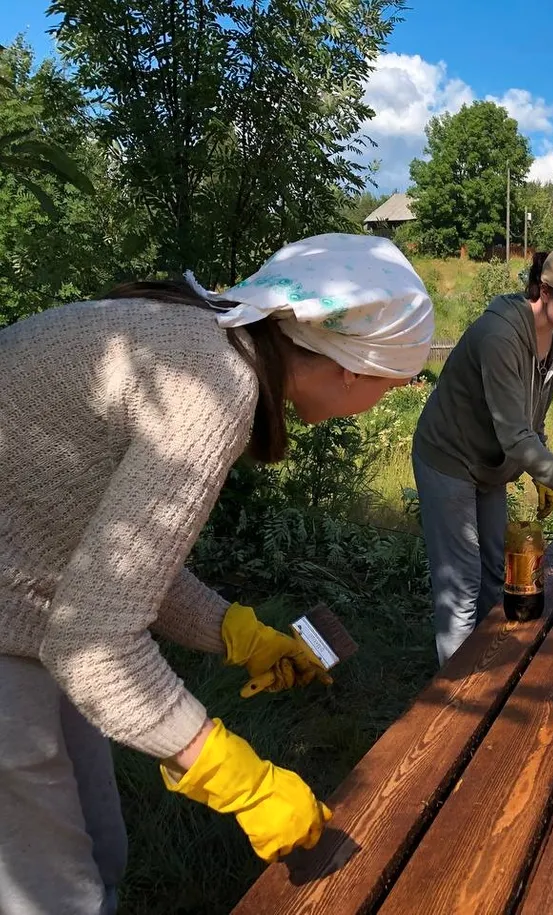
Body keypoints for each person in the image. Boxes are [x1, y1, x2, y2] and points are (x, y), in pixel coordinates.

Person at [0, 233, 435, 915]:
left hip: (31, 597)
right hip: (16, 618)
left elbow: (113, 565)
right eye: (396, 383)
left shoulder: (206, 343)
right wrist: (239, 778)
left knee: (101, 849)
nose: (389, 398)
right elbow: (94, 646)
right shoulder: (212, 388)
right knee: (57, 895)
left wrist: (238, 633)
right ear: (353, 368)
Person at [412, 246, 553, 665]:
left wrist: (540, 469)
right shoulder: (499, 336)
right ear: (543, 289)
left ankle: (485, 668)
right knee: (461, 586)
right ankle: (453, 703)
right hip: (449, 458)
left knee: (496, 573)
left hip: (492, 464)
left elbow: (531, 418)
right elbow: (517, 439)